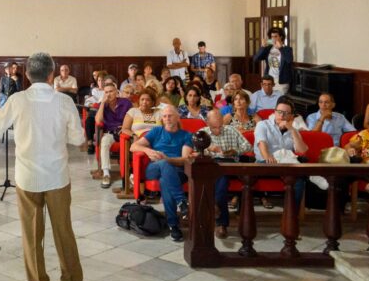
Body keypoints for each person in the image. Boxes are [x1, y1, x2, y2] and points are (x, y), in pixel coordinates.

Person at [0, 52, 85, 281]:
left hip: (27, 177)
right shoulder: (64, 102)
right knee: (63, 230)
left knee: (32, 234)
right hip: (57, 177)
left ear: (28, 75)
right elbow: (77, 138)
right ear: (52, 74)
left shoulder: (18, 100)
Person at [131, 105, 193, 242]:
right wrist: (148, 151)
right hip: (154, 168)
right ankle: (182, 201)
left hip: (177, 171)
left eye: (170, 115)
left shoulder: (186, 135)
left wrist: (167, 159)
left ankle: (173, 225)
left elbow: (184, 160)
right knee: (164, 165)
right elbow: (133, 146)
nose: (167, 118)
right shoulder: (156, 131)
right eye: (164, 116)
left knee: (166, 180)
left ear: (177, 117)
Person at [198, 110, 252, 239]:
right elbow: (194, 151)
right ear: (208, 123)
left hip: (231, 165)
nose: (217, 130)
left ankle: (215, 207)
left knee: (221, 174)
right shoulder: (202, 133)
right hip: (212, 167)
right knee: (220, 176)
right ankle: (221, 223)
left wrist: (236, 151)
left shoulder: (231, 130)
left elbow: (248, 146)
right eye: (214, 127)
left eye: (220, 126)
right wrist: (207, 149)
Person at [254, 97, 307, 209]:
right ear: (274, 112)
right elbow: (262, 144)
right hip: (265, 163)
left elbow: (302, 150)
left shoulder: (293, 130)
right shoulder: (263, 125)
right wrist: (268, 156)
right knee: (294, 174)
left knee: (298, 180)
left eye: (286, 113)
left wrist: (292, 130)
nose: (282, 116)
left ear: (291, 116)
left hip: (286, 164)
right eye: (279, 112)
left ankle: (291, 214)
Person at [95, 82, 132, 188]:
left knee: (130, 142)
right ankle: (106, 173)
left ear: (116, 92)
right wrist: (102, 103)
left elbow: (133, 116)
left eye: (111, 91)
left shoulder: (126, 102)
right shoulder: (103, 105)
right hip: (110, 133)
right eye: (106, 92)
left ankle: (130, 173)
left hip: (124, 131)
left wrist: (125, 127)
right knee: (104, 141)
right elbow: (98, 120)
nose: (109, 94)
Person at [253, 27, 293, 94]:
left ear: (281, 37)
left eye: (275, 36)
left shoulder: (287, 49)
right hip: (269, 80)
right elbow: (256, 59)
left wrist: (281, 48)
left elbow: (289, 60)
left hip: (281, 81)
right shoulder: (268, 48)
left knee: (278, 100)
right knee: (265, 98)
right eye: (272, 37)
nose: (273, 39)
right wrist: (263, 47)